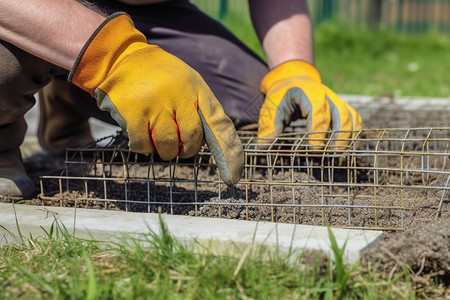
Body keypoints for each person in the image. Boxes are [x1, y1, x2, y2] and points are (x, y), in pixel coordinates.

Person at [0, 0, 361, 199]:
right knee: (7, 67)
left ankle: (67, 91)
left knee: (243, 103)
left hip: (152, 11)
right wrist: (112, 56)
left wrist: (291, 68)